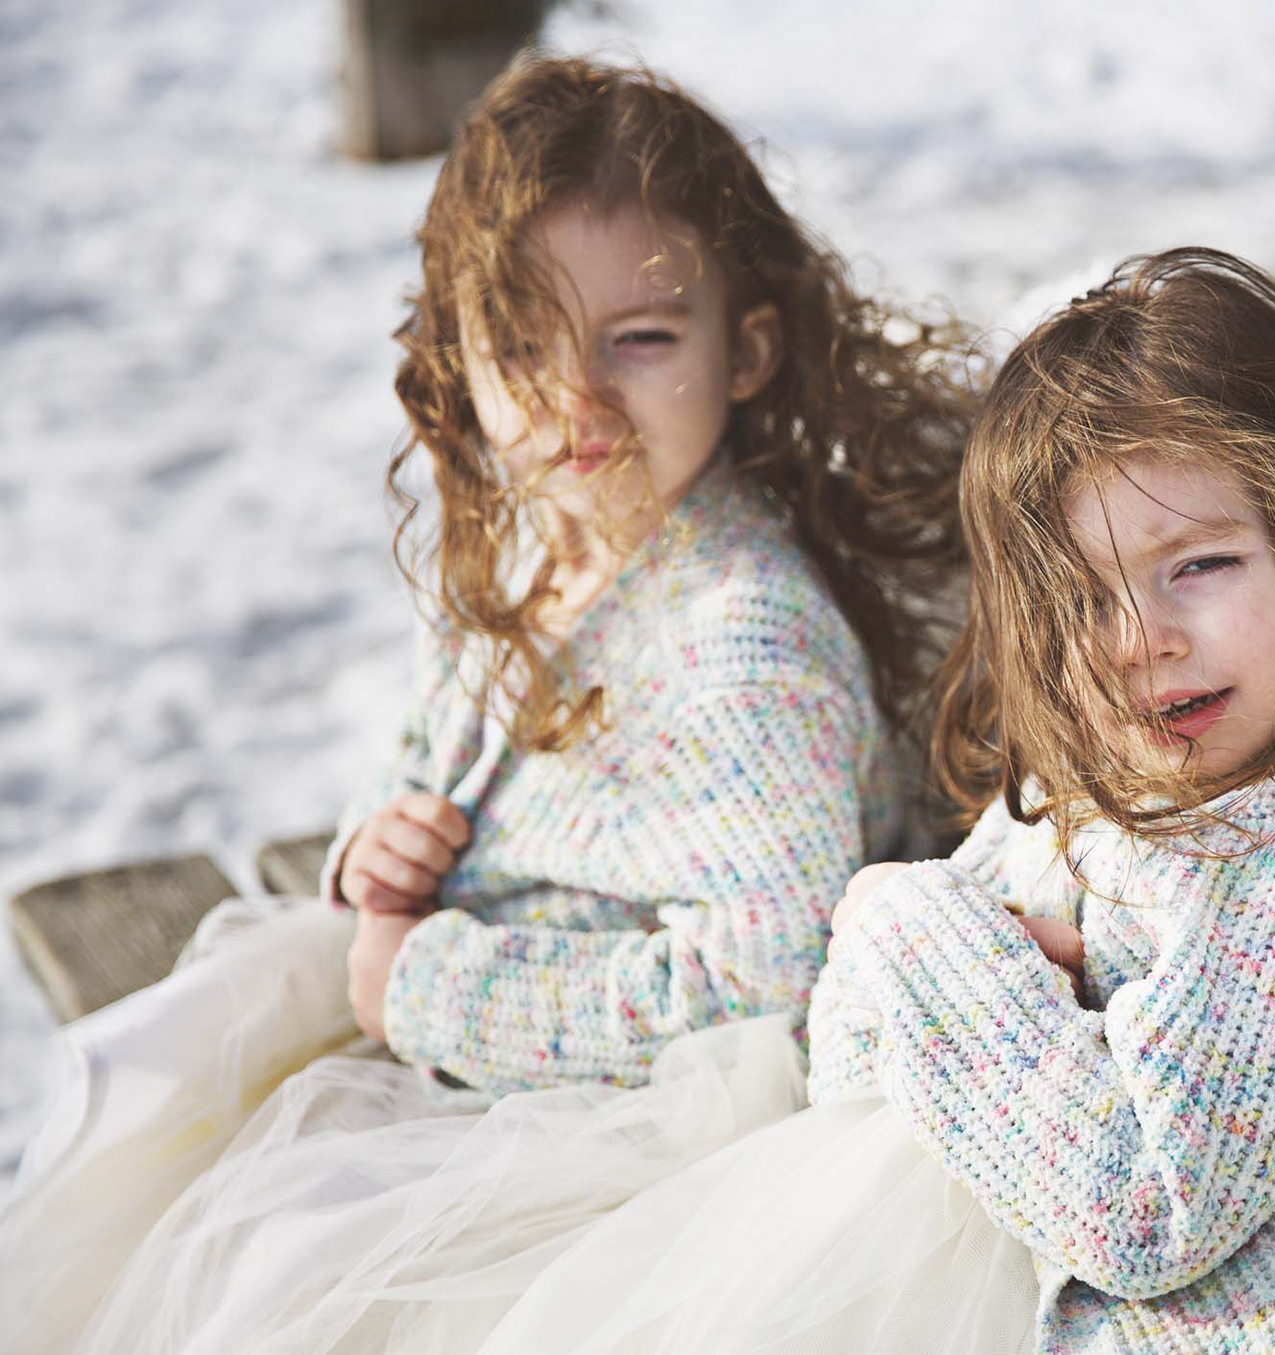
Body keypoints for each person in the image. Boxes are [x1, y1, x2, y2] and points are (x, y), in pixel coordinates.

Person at [195, 246, 1275, 1354]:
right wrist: (975, 993)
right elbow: (850, 1064)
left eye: (1201, 566)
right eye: (1077, 602)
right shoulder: (1078, 797)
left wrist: (914, 935)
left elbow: (1137, 1204)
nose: (1137, 642)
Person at [0, 53, 974, 1351]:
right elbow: (434, 752)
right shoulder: (537, 541)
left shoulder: (749, 644)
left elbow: (771, 996)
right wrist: (385, 838)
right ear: (459, 360)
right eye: (522, 346)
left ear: (744, 349)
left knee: (301, 1274)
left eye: (640, 339)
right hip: (478, 1033)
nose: (577, 400)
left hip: (630, 1136)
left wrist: (433, 988)